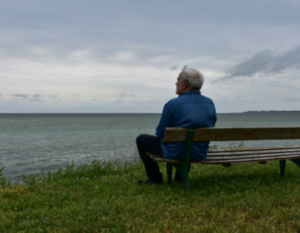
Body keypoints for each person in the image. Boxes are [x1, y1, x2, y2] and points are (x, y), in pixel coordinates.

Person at [136, 66, 217, 184]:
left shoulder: (172, 104)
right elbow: (210, 127)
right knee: (190, 138)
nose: (176, 83)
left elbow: (161, 133)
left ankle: (155, 178)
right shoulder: (209, 103)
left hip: (176, 153)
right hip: (200, 153)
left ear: (184, 84)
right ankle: (180, 177)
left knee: (141, 139)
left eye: (177, 80)